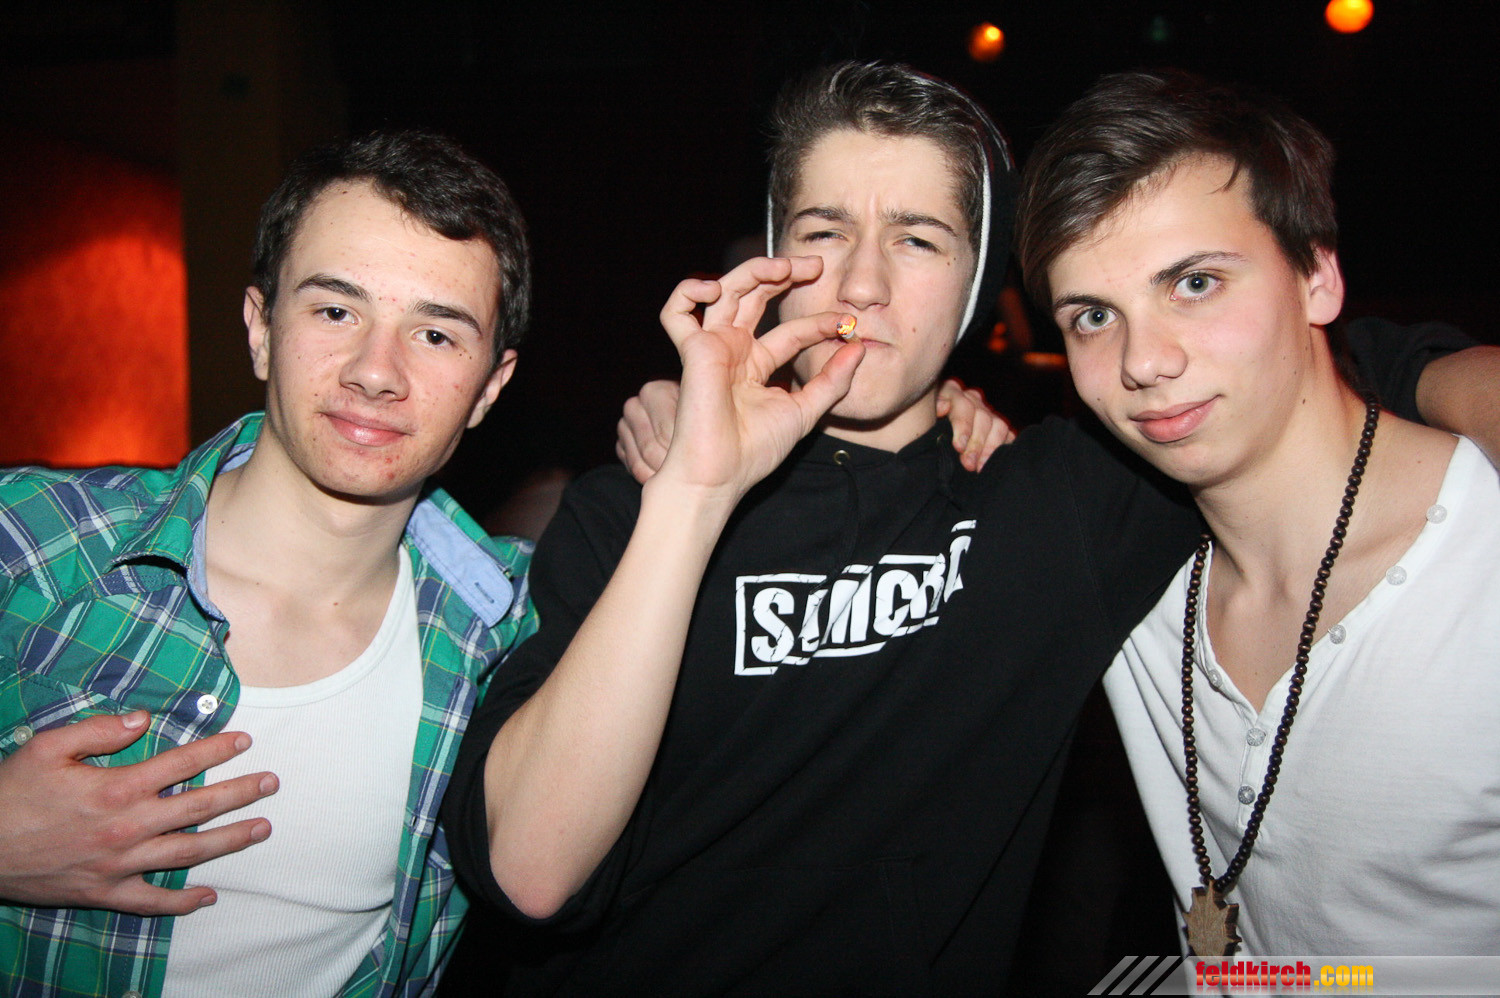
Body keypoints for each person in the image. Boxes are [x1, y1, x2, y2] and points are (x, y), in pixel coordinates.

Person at [442, 61, 1487, 994]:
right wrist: (694, 495)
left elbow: (1302, 365)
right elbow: (531, 872)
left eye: (918, 238)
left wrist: (1453, 382)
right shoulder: (630, 509)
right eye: (823, 233)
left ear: (979, 284)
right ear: (773, 256)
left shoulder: (1063, 501)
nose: (861, 284)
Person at [0, 130, 538, 996]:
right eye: (335, 312)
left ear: (490, 387)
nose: (376, 372)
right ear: (260, 328)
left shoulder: (510, 629)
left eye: (436, 334)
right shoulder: (31, 540)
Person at [1015, 69, 1500, 958]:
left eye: (1196, 283)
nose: (1143, 361)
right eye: (1093, 316)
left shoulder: (1480, 565)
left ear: (1318, 277)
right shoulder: (1122, 566)